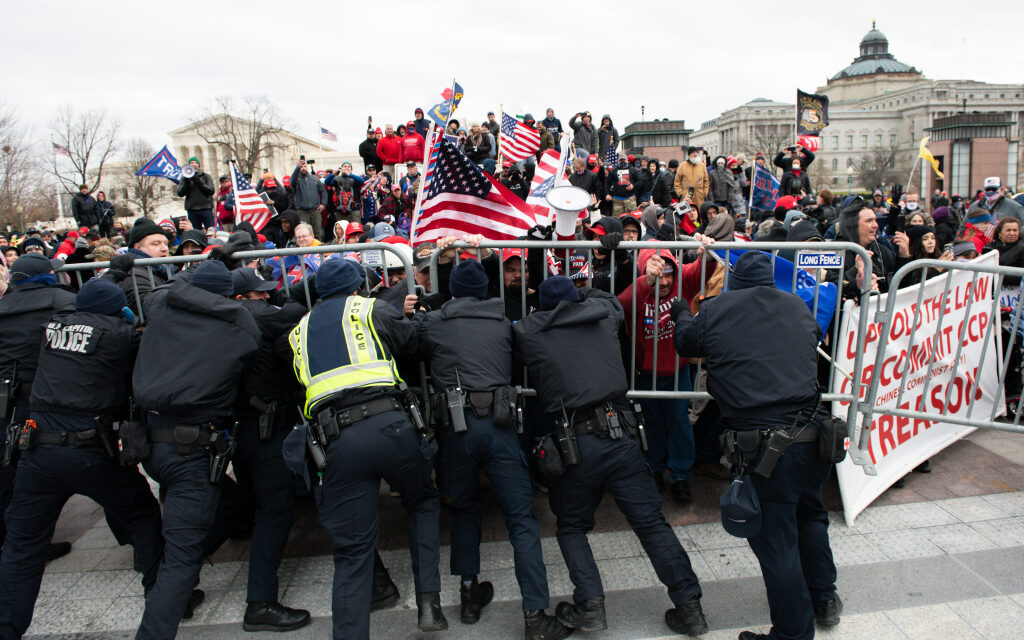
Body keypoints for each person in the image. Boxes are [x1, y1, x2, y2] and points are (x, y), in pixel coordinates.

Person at [513, 276, 709, 636]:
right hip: (620, 434)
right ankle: (690, 608)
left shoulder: (530, 331)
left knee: (572, 526)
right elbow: (605, 297)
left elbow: (522, 323)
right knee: (651, 524)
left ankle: (590, 607)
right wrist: (581, 291)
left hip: (574, 444)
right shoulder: (603, 315)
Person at [672, 250, 841, 640]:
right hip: (814, 437)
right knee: (811, 515)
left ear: (735, 281)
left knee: (777, 541)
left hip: (768, 449)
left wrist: (683, 309)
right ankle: (825, 599)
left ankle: (792, 634)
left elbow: (685, 341)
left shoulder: (718, 309)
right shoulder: (798, 305)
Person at [287, 259, 445, 640]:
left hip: (336, 440)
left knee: (353, 552)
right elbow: (416, 346)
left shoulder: (298, 331)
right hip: (389, 424)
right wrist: (418, 318)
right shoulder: (370, 308)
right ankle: (429, 604)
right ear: (357, 287)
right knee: (422, 501)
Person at [415, 260, 571, 639]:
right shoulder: (502, 323)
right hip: (500, 426)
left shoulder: (433, 323)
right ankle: (535, 614)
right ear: (486, 288)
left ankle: (469, 594)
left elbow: (408, 346)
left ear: (451, 290)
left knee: (465, 510)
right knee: (520, 518)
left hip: (456, 429)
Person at [0, 280, 163, 639]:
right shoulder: (121, 335)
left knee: (22, 547)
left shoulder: (51, 328)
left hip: (37, 450)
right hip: (90, 450)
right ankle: (163, 598)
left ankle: (7, 628)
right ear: (119, 309)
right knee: (143, 515)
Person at [133, 260, 262, 640]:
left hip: (153, 445)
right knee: (181, 556)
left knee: (232, 502)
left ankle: (167, 583)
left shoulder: (160, 307)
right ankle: (160, 612)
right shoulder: (238, 322)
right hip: (192, 450)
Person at [227, 268, 312, 632]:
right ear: (240, 299)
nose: (266, 299)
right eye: (260, 295)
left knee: (245, 501)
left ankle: (172, 579)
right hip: (264, 428)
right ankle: (260, 602)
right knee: (274, 509)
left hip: (236, 428)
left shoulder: (213, 322)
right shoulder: (258, 318)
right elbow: (288, 317)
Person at [618, 244, 713, 503]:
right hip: (646, 372)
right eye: (658, 274)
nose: (665, 280)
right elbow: (621, 305)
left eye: (669, 273)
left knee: (680, 423)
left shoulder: (682, 282)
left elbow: (702, 270)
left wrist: (706, 251)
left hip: (677, 372)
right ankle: (655, 469)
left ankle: (681, 476)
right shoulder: (640, 290)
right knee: (652, 424)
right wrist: (645, 281)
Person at [0, 253, 77, 561]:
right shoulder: (63, 299)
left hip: (7, 398)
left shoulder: (3, 306)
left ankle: (16, 543)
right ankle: (29, 545)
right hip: (45, 396)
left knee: (9, 469)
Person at [101, 218, 171, 315]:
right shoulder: (131, 274)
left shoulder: (166, 269)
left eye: (166, 243)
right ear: (138, 248)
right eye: (156, 244)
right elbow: (147, 306)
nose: (164, 249)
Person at [290, 159, 328, 241]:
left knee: (318, 232)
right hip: (302, 211)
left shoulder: (314, 178)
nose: (303, 168)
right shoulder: (297, 180)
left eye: (304, 166)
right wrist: (297, 168)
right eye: (301, 167)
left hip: (315, 210)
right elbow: (292, 181)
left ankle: (318, 251)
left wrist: (323, 204)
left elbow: (323, 191)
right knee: (304, 233)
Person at [175, 157, 216, 230]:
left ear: (199, 165)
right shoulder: (184, 178)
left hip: (205, 208)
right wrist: (187, 182)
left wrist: (198, 180)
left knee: (211, 230)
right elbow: (180, 193)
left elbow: (210, 191)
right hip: (192, 209)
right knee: (195, 231)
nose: (194, 165)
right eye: (192, 163)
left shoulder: (206, 176)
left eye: (196, 163)